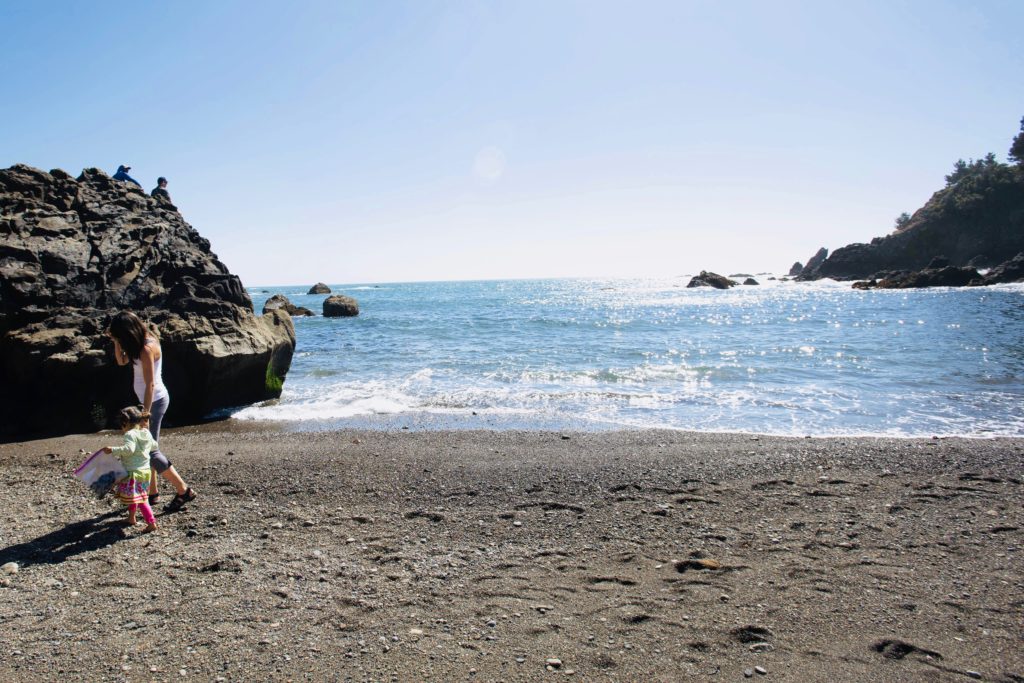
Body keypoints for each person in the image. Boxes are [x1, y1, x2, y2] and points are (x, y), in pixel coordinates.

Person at [107, 311, 197, 512]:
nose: (120, 339)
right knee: (148, 448)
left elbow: (150, 384)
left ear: (129, 332)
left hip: (154, 401)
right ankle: (152, 493)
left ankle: (184, 491)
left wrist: (145, 414)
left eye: (121, 336)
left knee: (151, 450)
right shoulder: (136, 344)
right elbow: (121, 361)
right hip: (145, 402)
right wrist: (115, 341)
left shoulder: (147, 347)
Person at [103, 405, 159, 533]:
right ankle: (131, 518)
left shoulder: (130, 434)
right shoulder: (145, 432)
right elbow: (154, 446)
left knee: (142, 500)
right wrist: (143, 449)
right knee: (137, 497)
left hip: (133, 472)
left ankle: (151, 523)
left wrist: (113, 450)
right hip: (145, 472)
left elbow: (129, 450)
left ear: (125, 423)